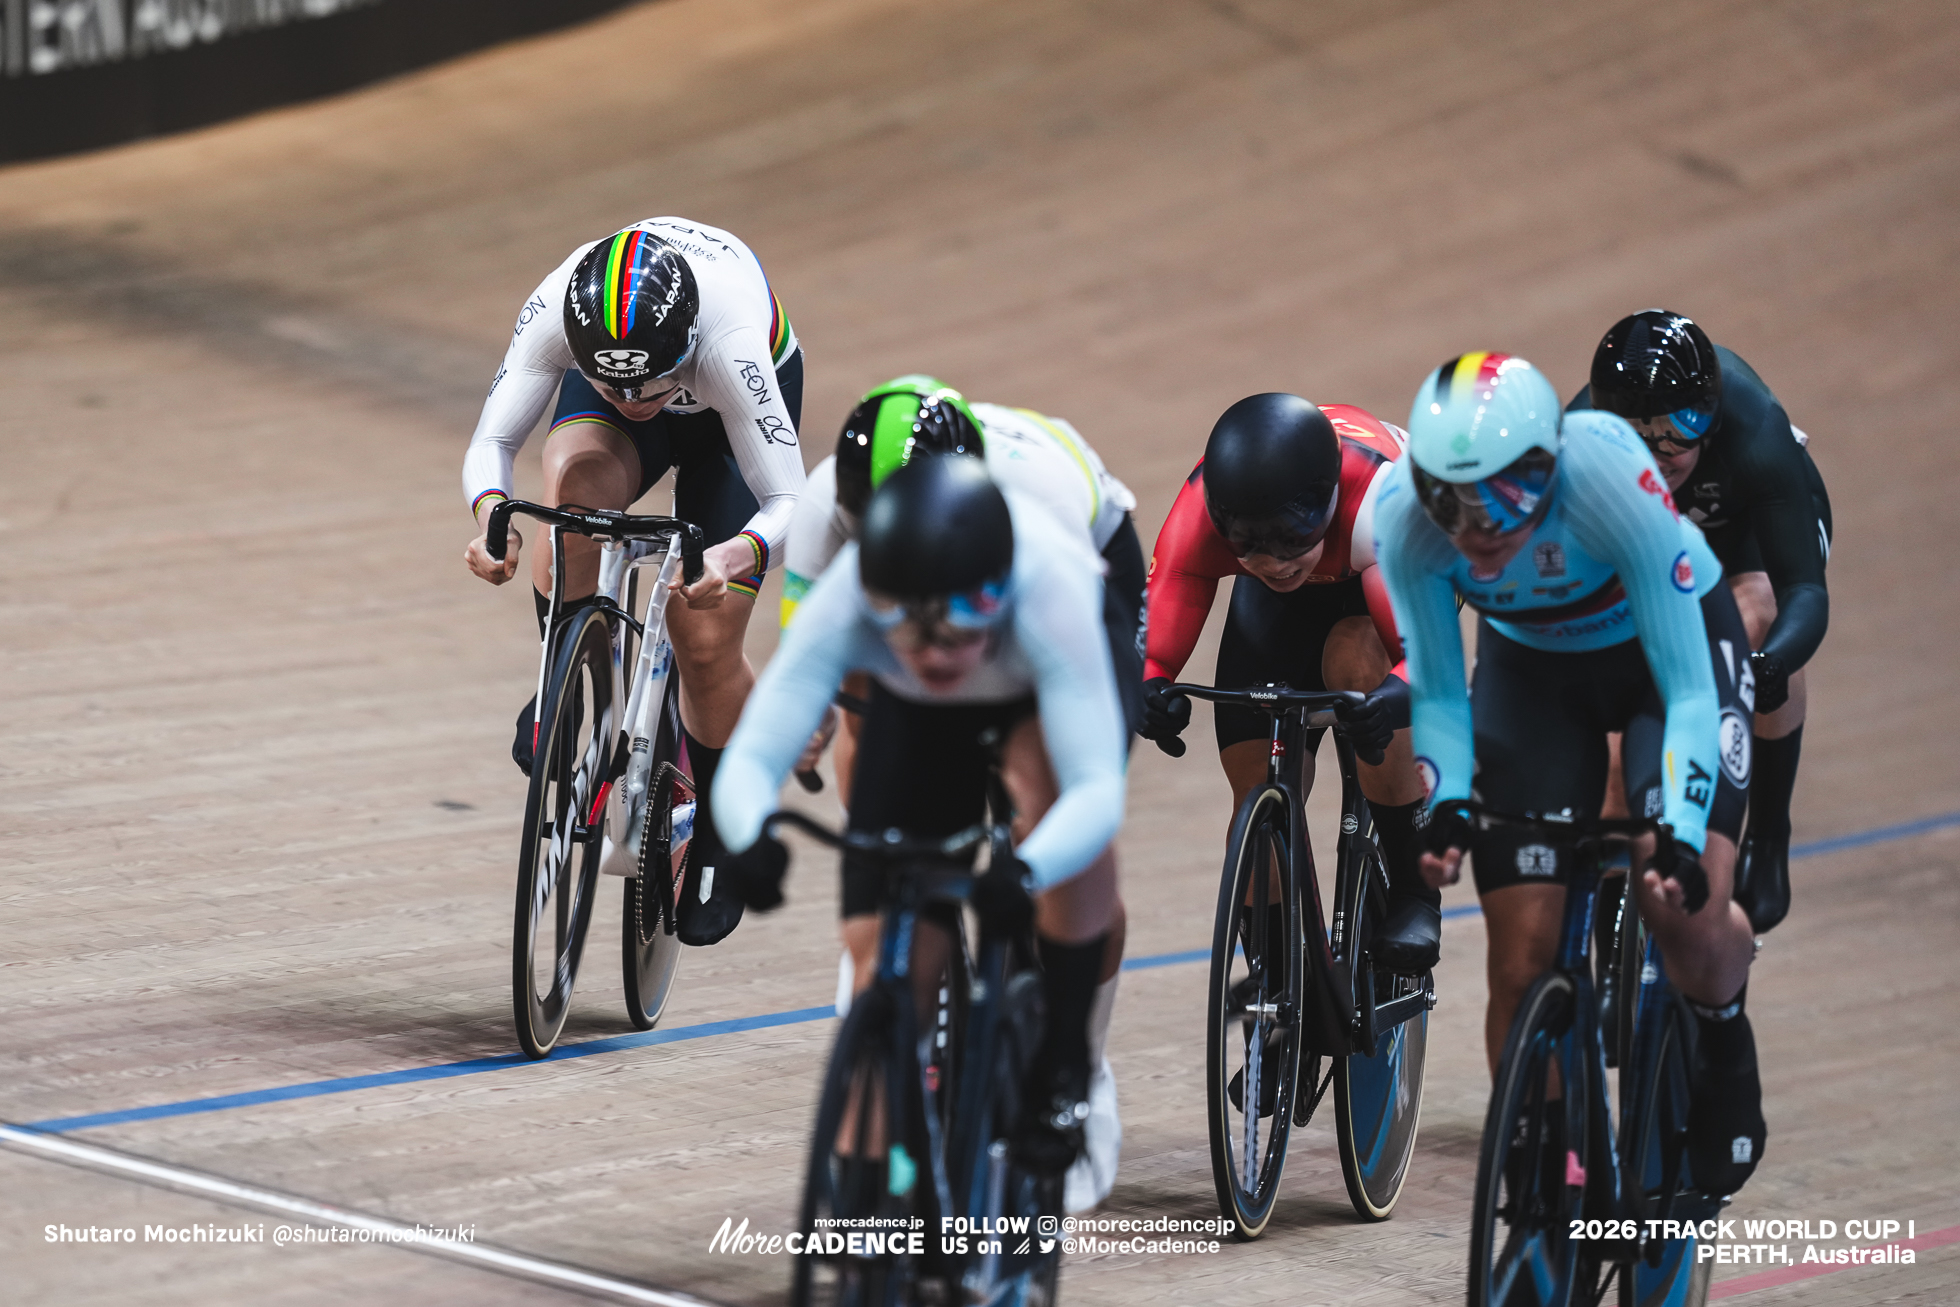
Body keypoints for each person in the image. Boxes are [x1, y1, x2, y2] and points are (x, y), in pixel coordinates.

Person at [1374, 351, 1765, 1197]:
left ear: (1550, 468)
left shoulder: (1608, 481)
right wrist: (1444, 804)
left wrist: (1685, 836)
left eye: (1506, 496)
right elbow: (1439, 687)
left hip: (1666, 659)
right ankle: (1546, 1181)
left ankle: (1722, 1025)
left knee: (1685, 907)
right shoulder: (1403, 519)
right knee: (1519, 961)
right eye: (1452, 499)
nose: (1477, 526)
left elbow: (1691, 688)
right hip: (1534, 677)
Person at [713, 457, 1129, 1185]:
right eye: (907, 623)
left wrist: (1028, 868)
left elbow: (1096, 791)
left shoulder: (1050, 589)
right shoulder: (851, 597)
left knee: (1046, 796)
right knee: (885, 960)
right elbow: (754, 754)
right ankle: (870, 1198)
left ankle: (1065, 1063)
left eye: (960, 621)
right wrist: (747, 837)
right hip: (921, 715)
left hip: (1032, 688)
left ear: (996, 594)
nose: (936, 648)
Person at [459, 218, 805, 946]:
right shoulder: (561, 308)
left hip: (724, 422)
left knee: (703, 631)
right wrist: (495, 518)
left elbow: (787, 504)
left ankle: (718, 823)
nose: (632, 398)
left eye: (646, 383)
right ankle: (568, 670)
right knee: (575, 499)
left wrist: (733, 556)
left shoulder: (730, 339)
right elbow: (493, 441)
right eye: (613, 382)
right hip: (646, 364)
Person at [1139, 394, 1441, 976]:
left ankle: (1413, 890)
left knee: (1356, 667)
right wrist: (1150, 685)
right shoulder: (1202, 509)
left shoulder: (1383, 505)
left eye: (1291, 536)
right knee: (1257, 779)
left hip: (1387, 573)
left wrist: (1393, 697)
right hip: (1293, 600)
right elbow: (1166, 603)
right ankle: (1277, 996)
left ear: (1328, 500)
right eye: (1249, 543)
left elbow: (1423, 654)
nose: (1275, 561)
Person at [1572, 310, 1830, 934]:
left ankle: (1766, 836)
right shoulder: (1579, 443)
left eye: (1682, 430)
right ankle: (1609, 907)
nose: (1664, 454)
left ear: (1710, 414)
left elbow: (1803, 591)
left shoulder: (1756, 433)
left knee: (1759, 619)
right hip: (1648, 543)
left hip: (1746, 539)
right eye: (1641, 438)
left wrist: (1770, 663)